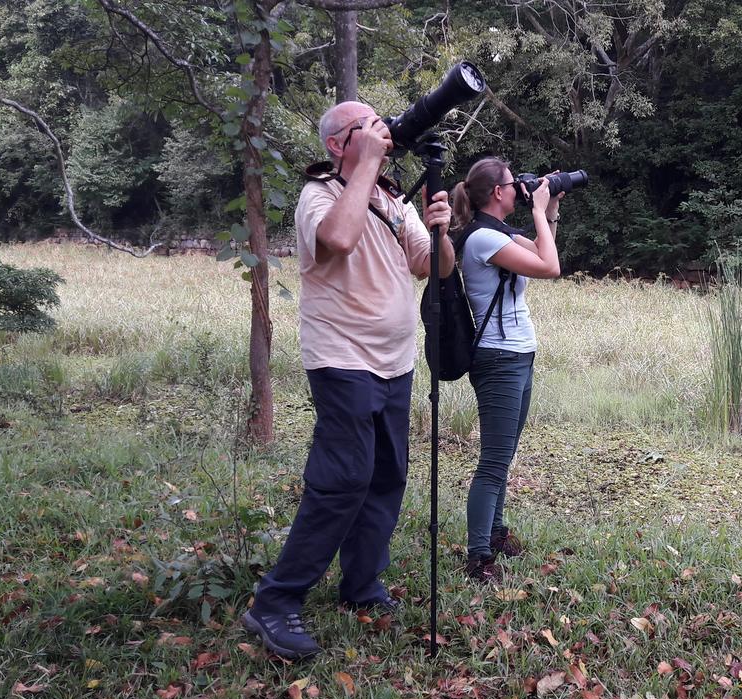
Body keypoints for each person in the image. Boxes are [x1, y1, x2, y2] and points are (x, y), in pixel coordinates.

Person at [241, 101, 454, 659]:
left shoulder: (389, 198)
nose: (383, 132)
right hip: (342, 359)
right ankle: (275, 602)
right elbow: (336, 240)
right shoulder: (321, 196)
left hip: (396, 362)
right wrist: (364, 167)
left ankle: (361, 585)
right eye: (367, 128)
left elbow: (434, 266)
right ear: (338, 144)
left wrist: (441, 230)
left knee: (386, 476)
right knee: (343, 480)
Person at [448, 157, 563, 582]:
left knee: (504, 455)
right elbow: (551, 268)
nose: (519, 188)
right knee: (493, 461)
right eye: (514, 184)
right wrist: (538, 208)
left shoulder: (497, 234)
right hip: (498, 359)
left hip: (518, 355)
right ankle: (479, 556)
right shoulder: (480, 239)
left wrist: (548, 210)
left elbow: (540, 249)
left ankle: (495, 534)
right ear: (498, 192)